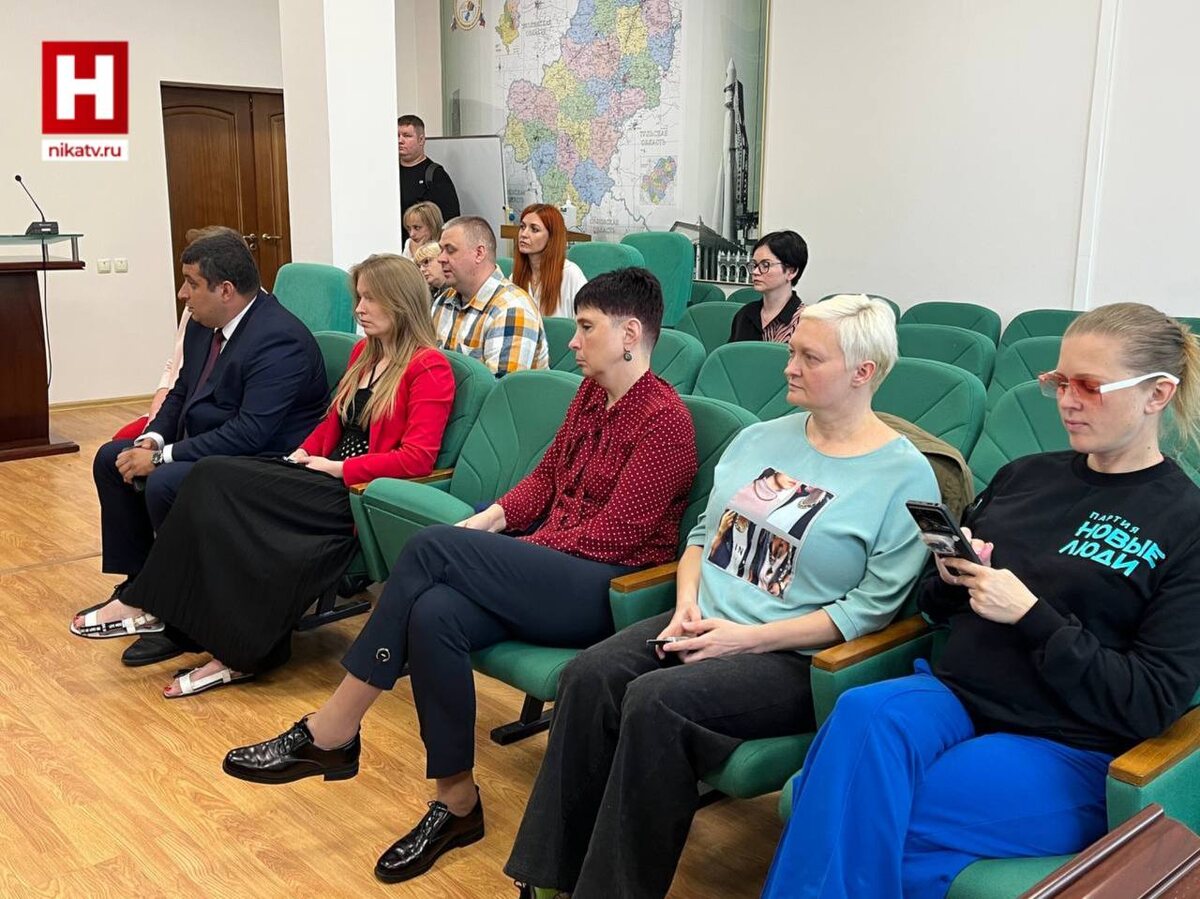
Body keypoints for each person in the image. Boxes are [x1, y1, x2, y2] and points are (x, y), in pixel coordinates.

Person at [223, 268, 698, 885]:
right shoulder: (590, 395)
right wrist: (487, 524)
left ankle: (333, 729)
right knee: (434, 613)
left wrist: (499, 549)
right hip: (550, 567)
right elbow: (543, 482)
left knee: (431, 550)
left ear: (630, 334)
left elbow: (615, 536)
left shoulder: (664, 420)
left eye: (585, 328)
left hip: (603, 586)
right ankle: (456, 801)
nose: (573, 341)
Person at [504, 295, 940, 899]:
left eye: (809, 358)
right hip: (702, 618)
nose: (788, 367)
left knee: (655, 703)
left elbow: (867, 611)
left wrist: (746, 639)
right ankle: (548, 878)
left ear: (862, 372)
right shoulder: (759, 438)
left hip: (791, 657)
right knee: (589, 676)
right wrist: (687, 603)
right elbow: (703, 538)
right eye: (792, 351)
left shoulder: (905, 478)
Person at [761, 302, 1200, 899]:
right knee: (863, 714)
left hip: (1067, 741)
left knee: (858, 811)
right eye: (1059, 382)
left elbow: (1151, 701)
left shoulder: (1185, 524)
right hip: (958, 695)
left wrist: (1033, 616)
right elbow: (936, 607)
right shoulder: (1026, 476)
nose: (1067, 401)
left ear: (1157, 394)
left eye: (1090, 387)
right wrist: (951, 579)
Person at [96, 255, 456, 690]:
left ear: (400, 303)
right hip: (321, 473)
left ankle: (165, 610)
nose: (359, 308)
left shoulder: (428, 366)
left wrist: (336, 467)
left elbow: (416, 459)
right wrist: (304, 451)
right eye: (359, 298)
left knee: (212, 480)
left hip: (357, 492)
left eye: (371, 299)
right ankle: (180, 614)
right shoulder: (365, 353)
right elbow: (332, 422)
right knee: (209, 477)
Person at [73, 229, 329, 642]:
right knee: (110, 459)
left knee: (167, 481)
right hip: (216, 443)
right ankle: (142, 585)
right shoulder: (202, 324)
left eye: (191, 283)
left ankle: (182, 615)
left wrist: (162, 458)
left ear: (225, 290)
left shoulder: (279, 339)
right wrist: (154, 439)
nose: (182, 294)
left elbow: (251, 433)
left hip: (266, 461)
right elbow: (182, 391)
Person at [111, 226, 231, 440]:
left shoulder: (232, 313)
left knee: (125, 447)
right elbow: (175, 367)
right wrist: (155, 420)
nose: (182, 292)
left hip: (198, 417)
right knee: (117, 447)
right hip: (176, 404)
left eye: (192, 282)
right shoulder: (194, 308)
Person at [431, 215, 549, 375]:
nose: (440, 258)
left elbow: (501, 388)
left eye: (450, 250)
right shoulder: (443, 300)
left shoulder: (512, 309)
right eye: (441, 250)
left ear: (479, 254)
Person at [729, 229, 808, 344]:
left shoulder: (807, 321)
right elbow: (731, 354)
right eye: (754, 265)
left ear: (791, 271)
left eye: (765, 265)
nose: (755, 272)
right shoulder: (745, 314)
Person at [510, 203, 587, 319]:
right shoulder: (514, 277)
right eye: (522, 227)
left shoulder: (571, 275)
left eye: (534, 229)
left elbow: (588, 323)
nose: (524, 234)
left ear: (551, 237)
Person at [398, 114, 460, 220]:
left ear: (421, 140)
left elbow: (451, 219)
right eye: (397, 135)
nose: (400, 140)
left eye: (407, 136)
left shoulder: (435, 175)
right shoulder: (391, 173)